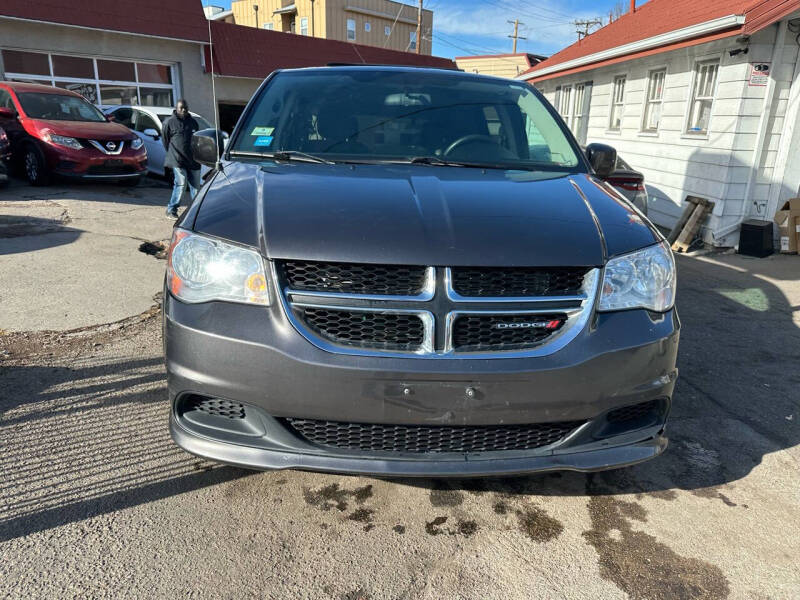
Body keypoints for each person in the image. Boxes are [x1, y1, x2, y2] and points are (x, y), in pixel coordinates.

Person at [162, 99, 201, 219]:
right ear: (176, 108)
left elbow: (198, 140)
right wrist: (172, 153)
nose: (184, 110)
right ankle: (171, 210)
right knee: (181, 183)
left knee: (196, 187)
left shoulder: (193, 122)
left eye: (185, 108)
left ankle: (196, 212)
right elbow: (165, 141)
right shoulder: (169, 122)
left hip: (193, 160)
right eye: (181, 108)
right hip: (177, 159)